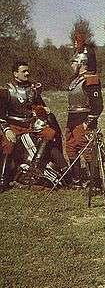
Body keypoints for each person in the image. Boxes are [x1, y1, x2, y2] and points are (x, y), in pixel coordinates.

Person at [0, 59, 66, 190]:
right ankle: (3, 180)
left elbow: (39, 107)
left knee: (50, 133)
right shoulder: (6, 90)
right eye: (23, 71)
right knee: (9, 145)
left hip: (31, 126)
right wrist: (6, 129)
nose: (27, 73)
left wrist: (43, 111)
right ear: (15, 73)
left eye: (27, 70)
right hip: (14, 126)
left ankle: (37, 168)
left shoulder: (33, 89)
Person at [65, 34, 103, 188]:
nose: (71, 64)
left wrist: (87, 124)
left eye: (74, 61)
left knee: (88, 151)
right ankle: (76, 180)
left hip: (84, 121)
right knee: (71, 148)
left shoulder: (91, 80)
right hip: (72, 121)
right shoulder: (75, 80)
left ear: (82, 62)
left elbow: (98, 106)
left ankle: (94, 182)